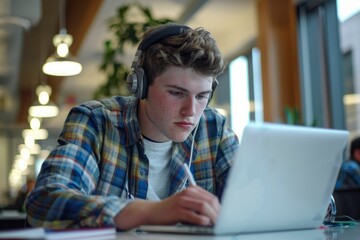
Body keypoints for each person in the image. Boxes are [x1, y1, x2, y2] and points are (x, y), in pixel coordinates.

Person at [25, 23, 239, 230]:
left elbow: (256, 202)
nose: (191, 111)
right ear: (140, 86)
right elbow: (44, 202)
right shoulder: (96, 121)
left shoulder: (214, 129)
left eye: (202, 96)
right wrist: (153, 212)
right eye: (176, 93)